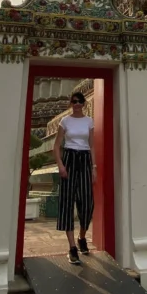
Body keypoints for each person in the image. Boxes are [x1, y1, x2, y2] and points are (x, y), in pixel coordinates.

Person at [53, 91, 96, 265]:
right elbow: (56, 146)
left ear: (84, 104)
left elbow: (92, 145)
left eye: (79, 101)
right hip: (69, 158)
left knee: (87, 203)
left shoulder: (89, 121)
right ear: (71, 103)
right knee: (67, 202)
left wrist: (94, 167)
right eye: (74, 101)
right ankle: (72, 248)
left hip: (85, 158)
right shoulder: (65, 121)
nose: (77, 104)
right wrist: (61, 166)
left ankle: (82, 237)